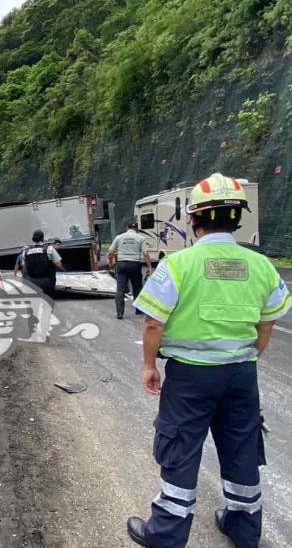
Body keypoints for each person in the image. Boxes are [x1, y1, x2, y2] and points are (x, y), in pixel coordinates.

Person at [126, 174, 291, 548]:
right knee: (241, 445)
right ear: (236, 220)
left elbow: (153, 322)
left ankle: (166, 534)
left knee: (181, 445)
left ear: (193, 219)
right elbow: (268, 321)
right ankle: (243, 528)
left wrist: (150, 366)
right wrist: (249, 357)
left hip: (190, 378)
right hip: (240, 374)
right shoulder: (262, 265)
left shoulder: (178, 264)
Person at [108, 221, 153, 319]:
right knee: (137, 287)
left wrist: (111, 264)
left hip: (121, 264)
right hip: (135, 265)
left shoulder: (119, 237)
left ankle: (120, 313)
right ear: (136, 229)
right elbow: (145, 253)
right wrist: (149, 267)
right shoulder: (141, 238)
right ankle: (138, 309)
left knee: (120, 289)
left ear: (127, 228)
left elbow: (110, 252)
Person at [19, 230, 63, 297]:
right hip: (47, 282)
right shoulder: (49, 249)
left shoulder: (25, 250)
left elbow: (24, 266)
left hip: (31, 282)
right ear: (42, 238)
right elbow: (59, 265)